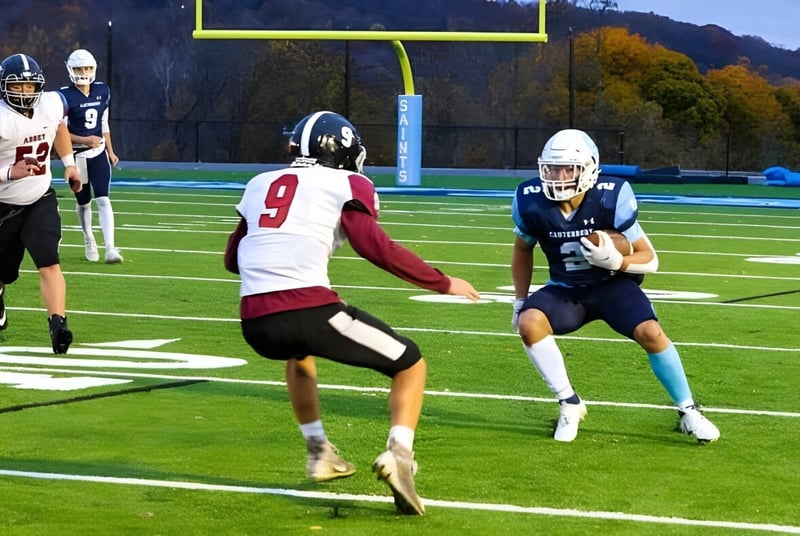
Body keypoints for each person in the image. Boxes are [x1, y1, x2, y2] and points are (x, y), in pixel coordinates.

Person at [224, 111, 480, 515]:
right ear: (345, 151)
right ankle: (400, 455)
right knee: (410, 363)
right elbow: (373, 245)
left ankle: (318, 450)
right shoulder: (347, 182)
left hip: (254, 320)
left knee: (298, 352)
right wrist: (441, 281)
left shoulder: (259, 184)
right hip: (308, 307)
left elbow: (232, 259)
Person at [510, 128, 720, 444]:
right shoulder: (530, 200)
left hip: (611, 286)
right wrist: (519, 300)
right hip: (565, 290)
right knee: (529, 322)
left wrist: (617, 262)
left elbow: (650, 258)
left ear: (589, 169)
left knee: (651, 332)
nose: (558, 176)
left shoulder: (611, 196)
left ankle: (688, 410)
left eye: (568, 168)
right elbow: (522, 249)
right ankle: (569, 403)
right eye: (552, 168)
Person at [0, 53, 82, 354]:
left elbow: (59, 125)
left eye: (30, 86)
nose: (25, 92)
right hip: (3, 204)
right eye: (18, 87)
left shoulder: (51, 103)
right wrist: (10, 172)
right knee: (3, 272)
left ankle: (58, 324)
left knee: (49, 261)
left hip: (39, 197)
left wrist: (69, 164)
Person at [59, 49, 122, 264]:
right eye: (78, 68)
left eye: (86, 68)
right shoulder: (63, 96)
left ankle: (111, 248)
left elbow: (104, 123)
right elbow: (60, 133)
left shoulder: (102, 91)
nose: (83, 72)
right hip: (76, 157)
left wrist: (111, 151)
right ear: (70, 70)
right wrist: (85, 140)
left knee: (103, 199)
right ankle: (88, 238)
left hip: (98, 154)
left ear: (93, 68)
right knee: (84, 202)